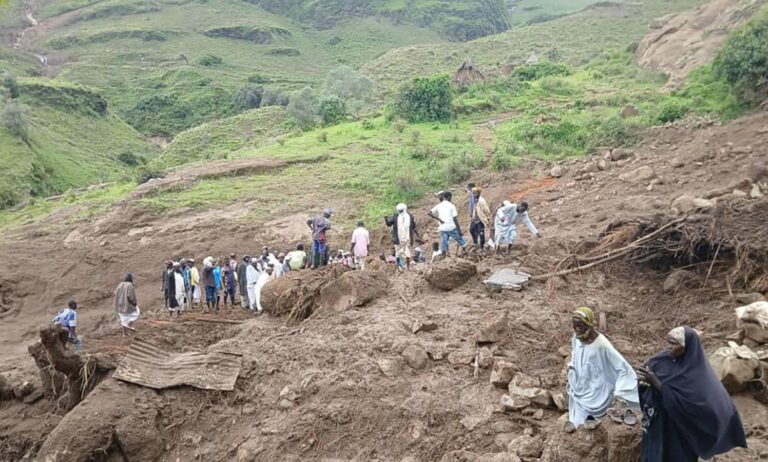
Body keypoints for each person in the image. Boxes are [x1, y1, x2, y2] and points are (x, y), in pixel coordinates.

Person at [636, 327, 747, 461]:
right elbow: (645, 379)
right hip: (658, 424)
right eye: (668, 342)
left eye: (674, 344)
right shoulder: (660, 360)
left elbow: (700, 405)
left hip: (681, 431)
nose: (668, 347)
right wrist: (644, 384)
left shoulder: (698, 374)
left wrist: (658, 385)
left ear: (687, 347)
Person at [565, 307, 639, 433]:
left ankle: (595, 417)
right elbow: (575, 353)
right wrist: (572, 368)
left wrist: (620, 392)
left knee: (595, 403)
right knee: (577, 409)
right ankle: (579, 421)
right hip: (582, 384)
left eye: (580, 326)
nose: (577, 329)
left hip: (599, 388)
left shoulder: (602, 345)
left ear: (589, 324)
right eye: (575, 326)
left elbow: (622, 368)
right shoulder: (577, 338)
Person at [428, 191, 468, 257]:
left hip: (443, 227)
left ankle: (444, 257)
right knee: (460, 239)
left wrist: (439, 219)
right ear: (449, 197)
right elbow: (455, 219)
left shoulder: (439, 205)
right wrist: (459, 230)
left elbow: (429, 213)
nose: (450, 199)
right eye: (450, 197)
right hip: (451, 226)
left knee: (444, 242)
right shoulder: (451, 205)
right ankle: (466, 252)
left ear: (443, 197)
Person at [386, 204, 417, 271]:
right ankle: (408, 268)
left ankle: (398, 268)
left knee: (397, 253)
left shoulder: (396, 216)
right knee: (407, 253)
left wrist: (386, 219)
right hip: (407, 238)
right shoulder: (410, 216)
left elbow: (389, 224)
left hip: (398, 239)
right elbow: (414, 226)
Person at [470, 187, 491, 252]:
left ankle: (482, 247)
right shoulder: (475, 200)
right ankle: (475, 242)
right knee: (471, 230)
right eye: (473, 193)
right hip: (475, 219)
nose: (473, 195)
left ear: (479, 193)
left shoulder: (481, 201)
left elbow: (486, 210)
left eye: (475, 193)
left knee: (481, 233)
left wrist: (488, 217)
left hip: (480, 220)